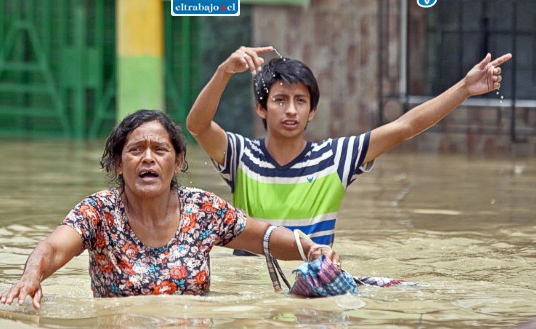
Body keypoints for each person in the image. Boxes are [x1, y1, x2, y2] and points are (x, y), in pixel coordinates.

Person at [0, 109, 340, 310]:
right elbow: (52, 247)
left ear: (179, 160)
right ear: (117, 163)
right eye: (135, 150)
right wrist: (31, 277)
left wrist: (309, 248)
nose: (147, 159)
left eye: (159, 150)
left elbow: (261, 235)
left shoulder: (202, 210)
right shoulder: (99, 212)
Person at [186, 46, 512, 250]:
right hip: (249, 285)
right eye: (280, 100)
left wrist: (464, 88)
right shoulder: (242, 155)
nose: (290, 110)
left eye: (301, 101)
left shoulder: (335, 158)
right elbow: (197, 126)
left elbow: (405, 127)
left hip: (316, 279)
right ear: (261, 108)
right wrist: (224, 71)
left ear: (312, 111)